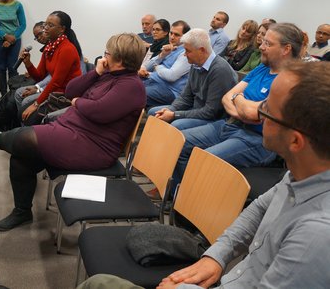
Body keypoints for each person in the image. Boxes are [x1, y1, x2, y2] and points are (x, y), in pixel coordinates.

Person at [77, 62, 330, 289]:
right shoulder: (302, 173)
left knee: (98, 284)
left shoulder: (317, 236)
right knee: (99, 284)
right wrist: (217, 255)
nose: (258, 110)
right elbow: (260, 208)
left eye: (266, 109)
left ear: (296, 142)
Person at [0, 33, 146, 231]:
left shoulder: (131, 86)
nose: (104, 56)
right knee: (22, 156)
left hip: (93, 145)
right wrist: (95, 73)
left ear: (120, 59)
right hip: (73, 130)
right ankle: (22, 211)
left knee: (24, 139)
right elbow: (71, 91)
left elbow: (98, 112)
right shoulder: (108, 75)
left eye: (107, 53)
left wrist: (78, 103)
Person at [171, 22, 303, 186]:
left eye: (268, 43)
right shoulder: (263, 68)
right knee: (180, 142)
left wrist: (238, 98)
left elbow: (250, 112)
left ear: (286, 49)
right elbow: (227, 97)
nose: (261, 46)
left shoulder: (291, 80)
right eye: (262, 41)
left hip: (257, 140)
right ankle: (178, 195)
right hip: (231, 125)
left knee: (204, 159)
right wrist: (243, 105)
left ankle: (190, 205)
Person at [149, 28, 237, 131]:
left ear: (202, 50)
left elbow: (211, 112)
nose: (184, 54)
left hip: (213, 119)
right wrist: (170, 109)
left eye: (188, 51)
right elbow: (185, 97)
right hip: (196, 110)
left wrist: (174, 114)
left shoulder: (220, 70)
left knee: (176, 125)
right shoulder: (196, 63)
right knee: (154, 113)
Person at [17, 11, 83, 126]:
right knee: (23, 109)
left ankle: (31, 137)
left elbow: (56, 82)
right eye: (45, 25)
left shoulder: (67, 49)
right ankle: (23, 135)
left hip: (65, 95)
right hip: (55, 92)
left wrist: (36, 104)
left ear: (62, 29)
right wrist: (28, 63)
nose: (45, 28)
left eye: (50, 25)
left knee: (29, 113)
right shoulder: (50, 47)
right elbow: (39, 76)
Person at [142, 20, 191, 107]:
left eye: (176, 35)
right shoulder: (169, 48)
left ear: (186, 37)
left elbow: (171, 76)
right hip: (155, 82)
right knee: (128, 85)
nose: (172, 37)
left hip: (170, 91)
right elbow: (146, 67)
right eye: (171, 33)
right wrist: (162, 55)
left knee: (136, 93)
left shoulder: (186, 53)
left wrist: (157, 67)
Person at [15, 21, 52, 111]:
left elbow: (55, 77)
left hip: (58, 88)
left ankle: (28, 123)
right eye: (36, 37)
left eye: (39, 34)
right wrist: (28, 63)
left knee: (25, 99)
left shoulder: (63, 47)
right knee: (18, 92)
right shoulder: (47, 50)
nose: (39, 38)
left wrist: (38, 88)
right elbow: (40, 76)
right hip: (46, 83)